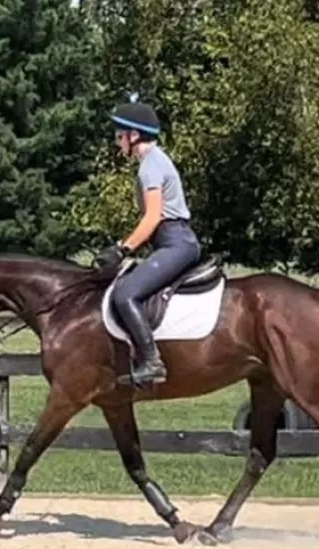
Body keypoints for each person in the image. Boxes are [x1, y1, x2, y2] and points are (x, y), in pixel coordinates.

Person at [93, 98, 202, 387]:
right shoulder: (154, 161)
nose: (117, 143)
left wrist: (122, 248)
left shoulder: (150, 167)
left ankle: (152, 361)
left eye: (119, 136)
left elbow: (153, 218)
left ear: (134, 135)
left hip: (174, 242)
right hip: (171, 241)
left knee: (125, 294)